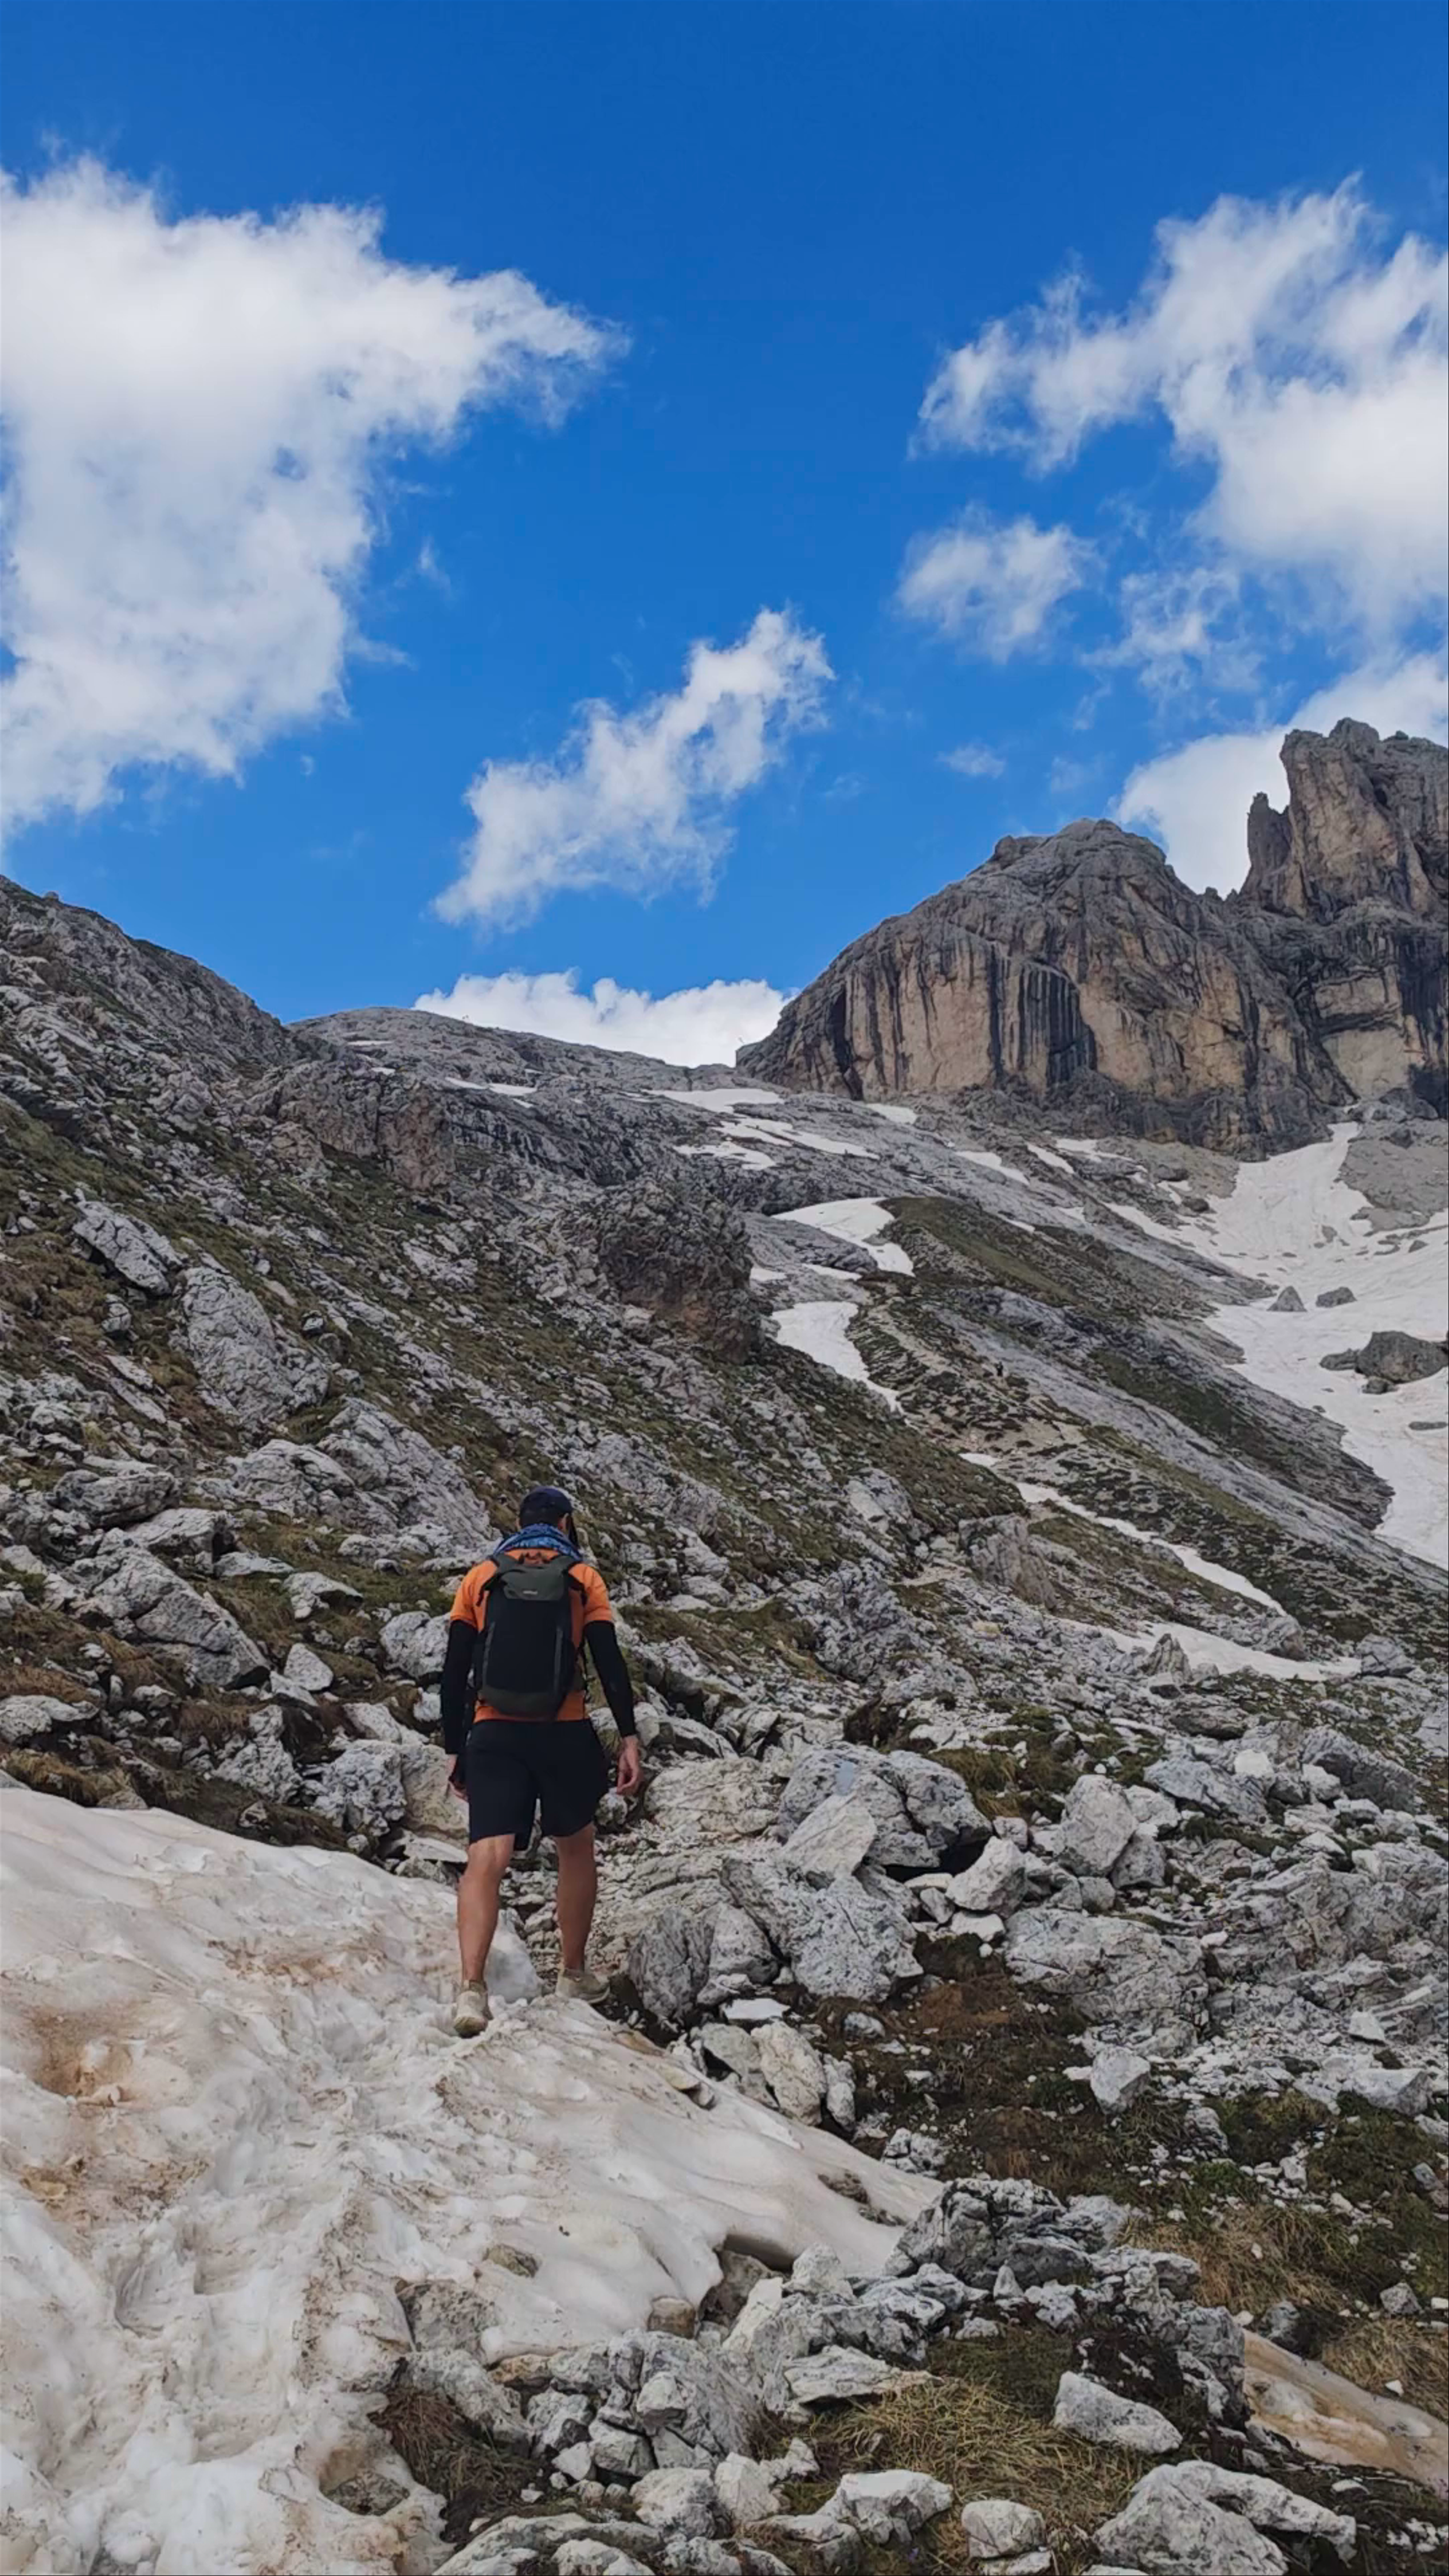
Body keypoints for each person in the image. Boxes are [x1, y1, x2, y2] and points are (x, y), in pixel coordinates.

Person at [441, 1483, 642, 2035]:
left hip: (493, 1732)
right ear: (567, 1523)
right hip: (564, 1732)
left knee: (488, 1855)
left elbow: (456, 1667)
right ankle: (573, 1973)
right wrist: (628, 1735)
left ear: (519, 1521)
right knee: (576, 1847)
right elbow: (608, 1660)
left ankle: (471, 1989)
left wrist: (454, 1747)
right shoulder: (582, 1577)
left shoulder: (482, 1576)